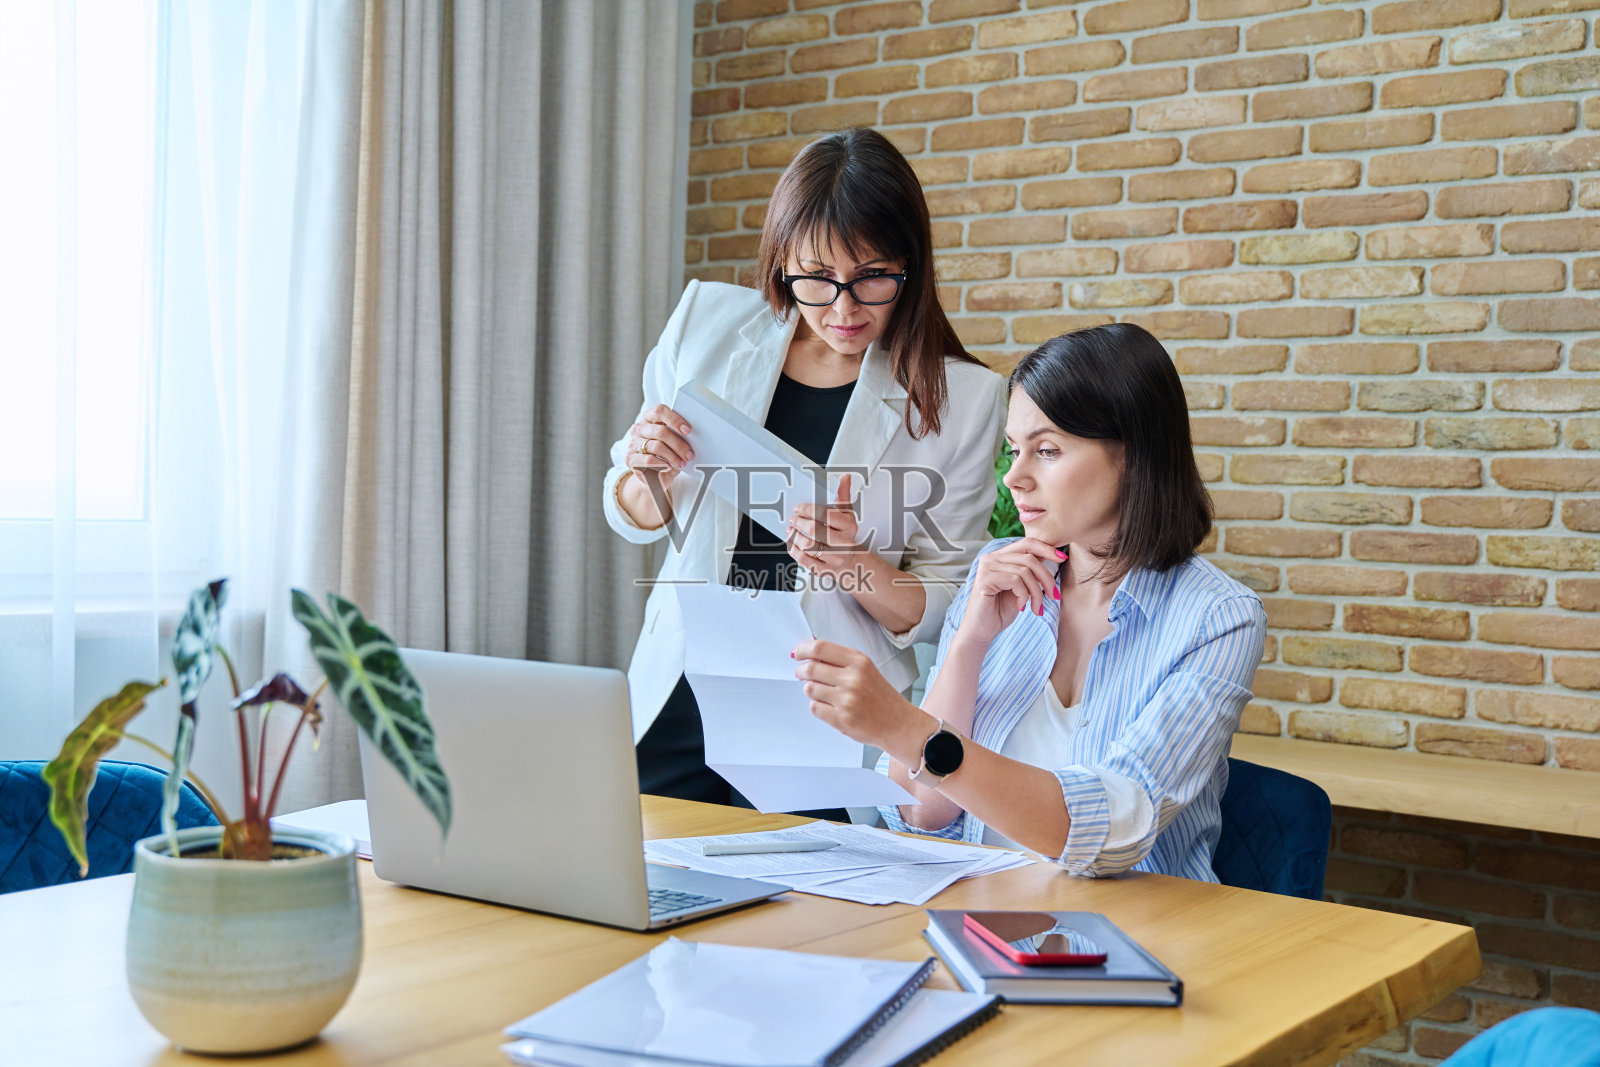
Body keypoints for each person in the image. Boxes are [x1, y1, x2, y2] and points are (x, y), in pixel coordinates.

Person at [603, 127, 1006, 808]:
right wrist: (652, 474)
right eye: (817, 277)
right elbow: (628, 510)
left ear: (910, 266)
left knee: (803, 878)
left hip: (827, 706)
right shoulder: (706, 323)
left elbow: (947, 603)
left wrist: (854, 562)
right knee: (649, 864)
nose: (843, 308)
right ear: (782, 259)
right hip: (687, 682)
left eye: (872, 276)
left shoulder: (963, 398)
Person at [791, 322, 1267, 879]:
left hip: (1127, 924)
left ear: (1136, 454)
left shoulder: (1218, 618)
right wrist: (970, 642)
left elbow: (1114, 830)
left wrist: (904, 727)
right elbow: (921, 814)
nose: (1014, 478)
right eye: (1014, 450)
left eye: (1047, 450)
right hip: (978, 911)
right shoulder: (996, 574)